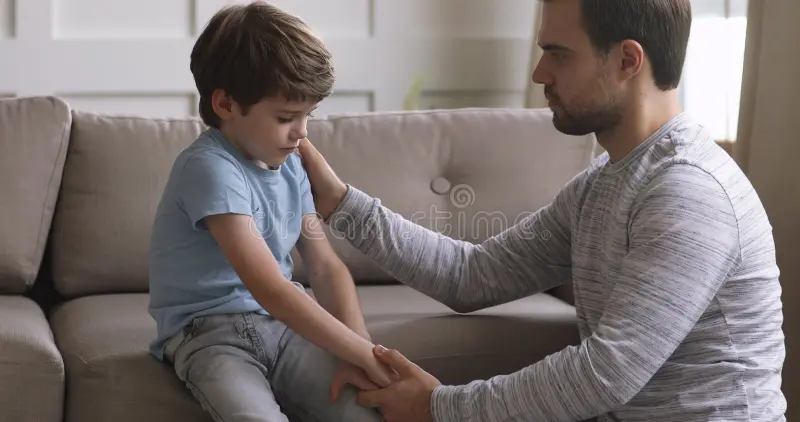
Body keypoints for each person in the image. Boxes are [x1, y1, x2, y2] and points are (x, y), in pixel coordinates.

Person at [296, 0, 787, 421]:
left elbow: (606, 372)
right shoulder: (601, 183)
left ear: (627, 60)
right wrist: (340, 201)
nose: (539, 74)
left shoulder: (688, 191)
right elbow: (472, 275)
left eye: (558, 54)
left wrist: (441, 407)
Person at [146, 3, 394, 421]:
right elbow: (270, 289)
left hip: (284, 330)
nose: (302, 133)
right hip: (210, 337)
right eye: (286, 117)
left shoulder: (292, 164)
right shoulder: (209, 168)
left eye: (307, 116)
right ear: (226, 104)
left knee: (365, 410)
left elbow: (325, 268)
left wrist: (360, 351)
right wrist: (360, 353)